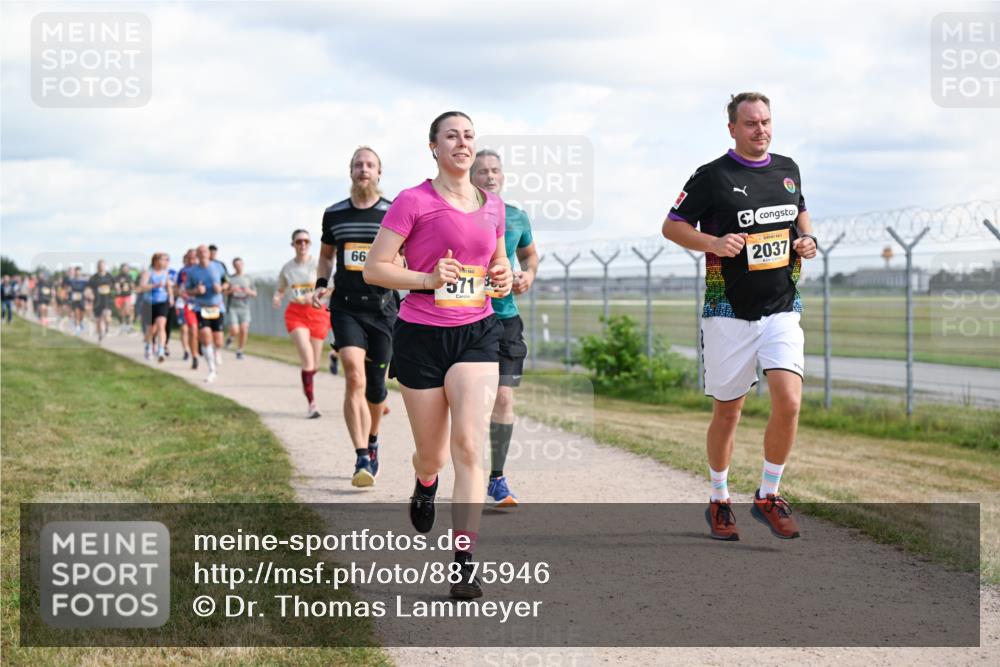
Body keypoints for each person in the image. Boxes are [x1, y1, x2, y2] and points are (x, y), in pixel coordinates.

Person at [364, 111, 513, 599]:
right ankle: (424, 481)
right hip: (421, 335)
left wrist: (502, 276)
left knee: (469, 446)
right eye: (452, 136)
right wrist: (428, 279)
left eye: (469, 136)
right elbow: (376, 269)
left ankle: (464, 561)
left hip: (477, 333)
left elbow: (497, 261)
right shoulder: (413, 201)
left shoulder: (493, 206)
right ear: (434, 147)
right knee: (434, 453)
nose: (462, 143)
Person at [661, 92, 818, 541]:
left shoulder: (788, 169)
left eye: (766, 121)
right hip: (727, 308)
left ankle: (768, 494)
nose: (761, 130)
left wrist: (807, 240)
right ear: (732, 128)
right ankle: (718, 498)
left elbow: (800, 215)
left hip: (782, 305)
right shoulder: (712, 176)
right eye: (751, 123)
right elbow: (672, 225)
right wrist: (713, 243)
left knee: (789, 401)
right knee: (729, 412)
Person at [314, 146, 396, 487]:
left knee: (376, 389)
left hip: (382, 308)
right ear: (351, 172)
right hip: (346, 306)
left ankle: (373, 438)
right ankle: (361, 455)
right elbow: (326, 256)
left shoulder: (392, 213)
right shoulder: (334, 214)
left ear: (379, 173)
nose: (364, 169)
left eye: (370, 165)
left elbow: (405, 257)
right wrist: (321, 284)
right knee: (353, 376)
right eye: (358, 165)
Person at [470, 149, 540, 507]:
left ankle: (496, 478)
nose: (490, 177)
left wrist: (526, 275)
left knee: (503, 397)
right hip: (466, 320)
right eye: (482, 171)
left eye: (495, 170)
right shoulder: (458, 215)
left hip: (505, 318)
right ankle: (457, 473)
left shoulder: (516, 217)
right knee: (468, 403)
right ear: (470, 178)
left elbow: (529, 255)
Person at [274, 230, 330, 417]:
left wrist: (316, 294)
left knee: (313, 364)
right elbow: (281, 289)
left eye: (306, 241)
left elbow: (332, 288)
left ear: (310, 243)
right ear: (293, 245)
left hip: (317, 312)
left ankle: (309, 385)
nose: (302, 244)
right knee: (307, 359)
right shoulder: (287, 268)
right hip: (296, 314)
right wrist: (277, 297)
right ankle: (312, 404)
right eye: (299, 241)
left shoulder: (318, 265)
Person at [185, 245, 227, 382]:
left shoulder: (218, 266)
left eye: (205, 251)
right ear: (197, 255)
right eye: (200, 252)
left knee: (218, 340)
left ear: (209, 254)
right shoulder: (192, 271)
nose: (203, 254)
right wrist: (197, 291)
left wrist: (220, 288)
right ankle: (212, 370)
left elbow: (227, 283)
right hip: (201, 307)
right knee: (205, 335)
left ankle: (218, 351)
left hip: (217, 307)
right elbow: (188, 290)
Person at [138, 253, 173, 361]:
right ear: (155, 261)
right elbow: (142, 287)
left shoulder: (165, 273)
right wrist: (154, 286)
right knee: (151, 329)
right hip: (149, 303)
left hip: (162, 302)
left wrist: (171, 297)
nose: (165, 262)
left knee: (161, 326)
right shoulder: (148, 273)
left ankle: (161, 350)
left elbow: (168, 286)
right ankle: (148, 346)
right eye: (162, 260)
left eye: (166, 260)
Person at [227, 257, 257, 359]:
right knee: (235, 330)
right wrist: (231, 290)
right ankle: (231, 337)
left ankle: (240, 351)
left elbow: (254, 293)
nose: (238, 266)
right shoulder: (230, 278)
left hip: (245, 307)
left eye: (240, 264)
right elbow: (225, 292)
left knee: (244, 329)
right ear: (234, 266)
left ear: (243, 265)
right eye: (236, 265)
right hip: (233, 307)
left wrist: (249, 292)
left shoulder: (249, 278)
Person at [88, 260, 115, 342]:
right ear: (97, 267)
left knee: (107, 315)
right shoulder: (94, 278)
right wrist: (90, 295)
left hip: (107, 299)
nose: (101, 267)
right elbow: (89, 288)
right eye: (99, 266)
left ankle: (107, 327)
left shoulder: (109, 276)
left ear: (105, 266)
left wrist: (116, 288)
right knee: (99, 320)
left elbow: (114, 284)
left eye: (102, 265)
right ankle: (100, 335)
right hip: (97, 301)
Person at [65, 267, 88, 335]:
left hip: (82, 299)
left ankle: (80, 323)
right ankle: (77, 328)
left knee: (82, 314)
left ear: (80, 273)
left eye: (79, 272)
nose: (78, 273)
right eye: (76, 272)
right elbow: (67, 287)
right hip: (74, 299)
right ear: (75, 272)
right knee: (76, 313)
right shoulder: (71, 280)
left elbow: (88, 288)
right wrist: (68, 291)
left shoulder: (84, 281)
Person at [114, 263, 136, 333]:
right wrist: (117, 289)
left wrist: (133, 288)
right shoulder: (117, 277)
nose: (125, 270)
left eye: (127, 268)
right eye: (124, 268)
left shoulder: (130, 276)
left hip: (127, 296)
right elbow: (116, 284)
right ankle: (123, 325)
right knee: (121, 312)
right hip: (119, 296)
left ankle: (129, 325)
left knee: (128, 310)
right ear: (121, 269)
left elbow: (133, 285)